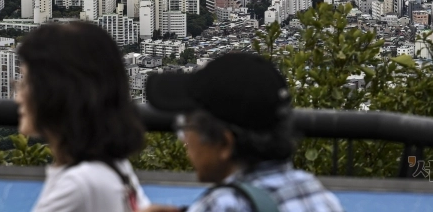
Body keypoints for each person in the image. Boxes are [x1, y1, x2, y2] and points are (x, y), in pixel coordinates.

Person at [144, 53, 343, 212]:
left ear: (224, 143)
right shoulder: (315, 193)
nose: (183, 140)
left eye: (186, 127)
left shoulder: (221, 204)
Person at [15, 21, 150, 212]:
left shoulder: (78, 186)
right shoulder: (114, 167)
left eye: (26, 83)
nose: (18, 97)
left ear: (56, 93)